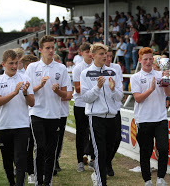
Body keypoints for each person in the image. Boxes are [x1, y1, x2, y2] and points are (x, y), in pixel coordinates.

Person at [25, 35, 68, 186]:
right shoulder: (32, 67)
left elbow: (67, 95)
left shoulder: (61, 68)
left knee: (51, 151)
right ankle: (38, 180)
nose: (50, 50)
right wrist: (40, 86)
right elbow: (27, 92)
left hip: (55, 114)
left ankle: (47, 181)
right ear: (40, 50)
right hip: (36, 112)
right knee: (40, 147)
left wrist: (58, 92)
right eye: (47, 48)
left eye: (52, 48)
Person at [80, 43, 123, 186]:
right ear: (92, 56)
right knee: (100, 151)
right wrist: (97, 87)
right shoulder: (86, 73)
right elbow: (85, 98)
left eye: (106, 54)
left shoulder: (112, 72)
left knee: (109, 149)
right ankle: (101, 182)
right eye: (101, 54)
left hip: (112, 117)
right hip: (96, 117)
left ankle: (97, 174)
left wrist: (112, 90)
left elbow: (119, 96)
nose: (105, 56)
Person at [0, 49, 34, 186]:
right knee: (7, 161)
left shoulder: (25, 79)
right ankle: (12, 183)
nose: (14, 66)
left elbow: (32, 103)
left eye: (16, 63)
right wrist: (15, 92)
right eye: (11, 63)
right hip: (4, 126)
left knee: (20, 160)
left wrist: (26, 93)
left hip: (22, 126)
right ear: (3, 64)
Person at [130, 47, 170, 186]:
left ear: (153, 59)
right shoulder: (135, 77)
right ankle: (147, 180)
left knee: (164, 148)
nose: (148, 61)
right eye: (145, 59)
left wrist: (166, 80)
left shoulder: (160, 74)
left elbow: (168, 93)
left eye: (150, 59)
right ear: (140, 60)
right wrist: (151, 89)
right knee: (146, 152)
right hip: (144, 119)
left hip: (160, 118)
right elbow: (138, 99)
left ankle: (160, 178)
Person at [72, 42, 94, 172]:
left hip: (93, 103)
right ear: (81, 53)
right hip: (80, 104)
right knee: (81, 133)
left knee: (94, 132)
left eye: (91, 51)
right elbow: (78, 88)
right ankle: (80, 161)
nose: (89, 54)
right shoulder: (78, 68)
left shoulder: (96, 66)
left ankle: (92, 159)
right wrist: (94, 87)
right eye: (87, 52)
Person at [105, 47, 123, 177]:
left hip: (115, 108)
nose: (109, 59)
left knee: (117, 138)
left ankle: (107, 161)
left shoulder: (116, 68)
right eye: (106, 56)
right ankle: (104, 163)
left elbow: (119, 86)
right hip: (102, 110)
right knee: (104, 139)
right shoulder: (94, 70)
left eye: (111, 56)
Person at [20, 54, 39, 184]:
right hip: (26, 115)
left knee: (37, 145)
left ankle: (36, 171)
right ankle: (30, 172)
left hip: (37, 113)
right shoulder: (22, 76)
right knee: (28, 145)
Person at [53, 55, 73, 173]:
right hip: (49, 113)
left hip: (61, 113)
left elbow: (68, 96)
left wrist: (56, 94)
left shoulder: (64, 75)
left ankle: (56, 160)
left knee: (59, 139)